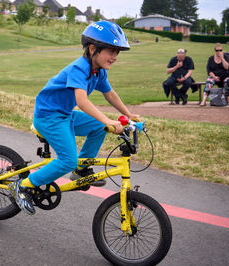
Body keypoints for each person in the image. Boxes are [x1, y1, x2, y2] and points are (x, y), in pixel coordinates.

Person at [8, 21, 140, 215]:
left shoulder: (99, 71)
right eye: (111, 51)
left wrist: (128, 114)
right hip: (49, 117)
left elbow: (109, 94)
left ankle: (82, 170)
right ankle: (24, 185)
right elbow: (82, 101)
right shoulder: (80, 68)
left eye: (117, 52)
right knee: (68, 160)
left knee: (97, 128)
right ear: (93, 49)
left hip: (64, 115)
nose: (114, 57)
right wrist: (108, 120)